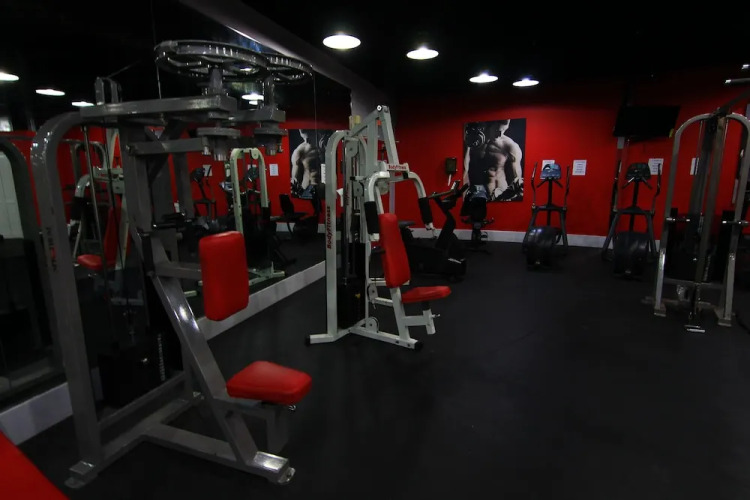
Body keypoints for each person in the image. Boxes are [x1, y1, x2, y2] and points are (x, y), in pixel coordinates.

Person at [463, 119, 523, 201]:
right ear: (488, 126)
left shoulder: (510, 146)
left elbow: (516, 180)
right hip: (476, 197)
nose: (500, 134)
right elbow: (465, 169)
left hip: (499, 196)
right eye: (497, 130)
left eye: (504, 131)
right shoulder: (473, 142)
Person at [291, 129, 326, 198]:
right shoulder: (300, 151)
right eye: (305, 138)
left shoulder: (327, 147)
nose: (307, 140)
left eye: (309, 137)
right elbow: (295, 179)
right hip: (309, 190)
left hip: (326, 190)